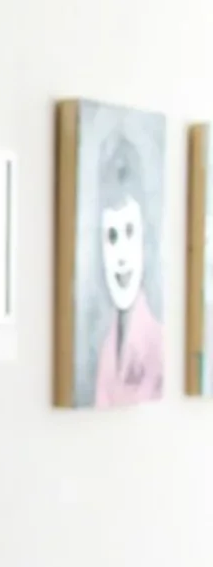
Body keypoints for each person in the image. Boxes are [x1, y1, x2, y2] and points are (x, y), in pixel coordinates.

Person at [93, 131, 164, 407]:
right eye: (112, 236)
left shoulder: (158, 347)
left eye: (130, 232)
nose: (121, 255)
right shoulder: (106, 353)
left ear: (146, 240)